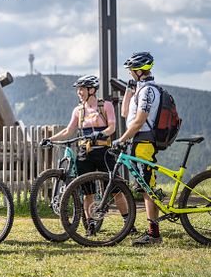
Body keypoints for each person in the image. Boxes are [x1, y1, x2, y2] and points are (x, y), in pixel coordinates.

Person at [40, 75, 132, 235]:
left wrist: (100, 134)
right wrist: (50, 139)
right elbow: (68, 131)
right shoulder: (78, 110)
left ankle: (128, 222)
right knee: (87, 192)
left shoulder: (106, 106)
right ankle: (90, 224)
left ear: (91, 90)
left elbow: (112, 127)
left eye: (81, 89)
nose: (79, 92)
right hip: (85, 153)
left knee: (116, 189)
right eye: (78, 89)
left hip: (104, 151)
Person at [116, 51, 163, 245]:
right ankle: (153, 230)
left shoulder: (148, 91)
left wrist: (121, 139)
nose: (129, 74)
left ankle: (154, 235)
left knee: (147, 188)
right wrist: (129, 88)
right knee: (145, 187)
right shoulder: (140, 89)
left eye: (131, 71)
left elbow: (139, 121)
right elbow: (125, 112)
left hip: (144, 143)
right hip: (138, 143)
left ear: (139, 70)